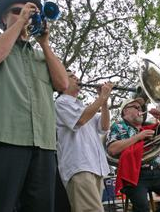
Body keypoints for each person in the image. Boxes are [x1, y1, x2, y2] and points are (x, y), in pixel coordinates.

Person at [0, 0, 68, 212]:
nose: (25, 14)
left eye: (30, 11)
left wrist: (44, 43)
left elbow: (63, 84)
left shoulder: (41, 56)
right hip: (3, 140)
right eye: (17, 11)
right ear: (3, 19)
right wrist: (19, 24)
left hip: (43, 146)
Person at [106, 97, 160, 212]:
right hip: (134, 175)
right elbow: (112, 149)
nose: (140, 110)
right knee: (142, 207)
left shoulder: (148, 126)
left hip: (156, 173)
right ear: (125, 111)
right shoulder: (118, 126)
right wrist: (139, 137)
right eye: (136, 107)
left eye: (141, 108)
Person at [55, 70, 113, 212]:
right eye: (71, 76)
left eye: (76, 76)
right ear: (61, 83)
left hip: (95, 166)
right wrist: (102, 97)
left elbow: (104, 127)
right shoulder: (61, 102)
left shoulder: (83, 107)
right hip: (79, 166)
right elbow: (80, 120)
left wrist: (103, 101)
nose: (76, 78)